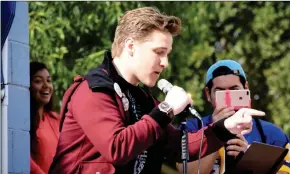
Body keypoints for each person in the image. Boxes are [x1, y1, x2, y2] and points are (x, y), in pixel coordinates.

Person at [49, 7, 265, 174]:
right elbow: (117, 147)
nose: (165, 63)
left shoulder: (141, 97)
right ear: (130, 47)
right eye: (159, 52)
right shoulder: (93, 90)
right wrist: (167, 108)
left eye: (168, 53)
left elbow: (181, 146)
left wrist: (226, 126)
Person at [177, 60, 290, 174]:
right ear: (208, 94)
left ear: (246, 88)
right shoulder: (192, 128)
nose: (228, 99)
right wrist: (217, 133)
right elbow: (186, 172)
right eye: (220, 92)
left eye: (234, 90)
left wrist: (249, 159)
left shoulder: (271, 134)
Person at [30, 62, 60, 174]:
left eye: (48, 80)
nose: (46, 85)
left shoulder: (56, 120)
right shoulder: (22, 121)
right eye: (38, 81)